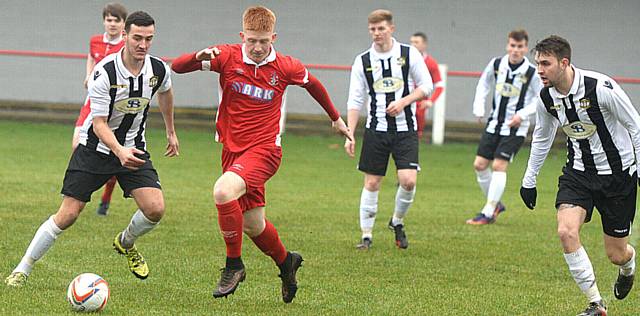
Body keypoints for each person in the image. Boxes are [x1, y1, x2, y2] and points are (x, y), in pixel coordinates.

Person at [171, 6, 350, 303]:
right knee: (254, 224)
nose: (257, 47)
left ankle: (234, 265)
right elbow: (177, 67)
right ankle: (286, 262)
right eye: (252, 40)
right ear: (242, 36)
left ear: (274, 38)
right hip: (232, 152)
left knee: (222, 191)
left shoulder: (285, 66)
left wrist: (336, 117)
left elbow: (313, 84)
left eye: (263, 41)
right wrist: (196, 57)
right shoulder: (226, 57)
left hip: (266, 151)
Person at [5, 11, 179, 287]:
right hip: (95, 149)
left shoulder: (158, 69)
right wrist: (119, 151)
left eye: (149, 39)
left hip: (133, 149)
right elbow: (98, 124)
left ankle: (126, 242)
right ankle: (22, 269)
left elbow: (166, 92)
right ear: (124, 36)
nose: (143, 45)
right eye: (137, 38)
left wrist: (170, 131)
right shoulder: (105, 72)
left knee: (155, 209)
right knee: (68, 214)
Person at [520, 35, 639, 316]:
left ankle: (628, 266)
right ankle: (596, 304)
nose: (539, 70)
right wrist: (529, 179)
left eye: (545, 64)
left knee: (616, 254)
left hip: (618, 176)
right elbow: (542, 136)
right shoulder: (546, 95)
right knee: (566, 231)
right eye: (537, 63)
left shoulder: (601, 88)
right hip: (578, 173)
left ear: (564, 63)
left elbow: (636, 127)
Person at [344, 9, 433, 250]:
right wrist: (350, 133)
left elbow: (427, 86)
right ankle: (366, 235)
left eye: (381, 28)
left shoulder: (408, 53)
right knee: (372, 183)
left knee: (408, 181)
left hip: (406, 129)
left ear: (391, 29)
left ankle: (397, 221)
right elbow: (355, 99)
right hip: (376, 130)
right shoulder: (363, 61)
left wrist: (404, 101)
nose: (377, 33)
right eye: (373, 29)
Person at [466, 29, 542, 225]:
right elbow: (483, 83)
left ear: (526, 48)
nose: (515, 50)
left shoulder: (532, 72)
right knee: (479, 165)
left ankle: (489, 211)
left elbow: (540, 98)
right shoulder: (496, 64)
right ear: (507, 45)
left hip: (516, 127)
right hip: (494, 123)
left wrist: (522, 114)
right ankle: (496, 204)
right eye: (512, 46)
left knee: (499, 165)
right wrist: (478, 107)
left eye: (520, 46)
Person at [72, 2, 128, 216]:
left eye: (116, 20)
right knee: (77, 144)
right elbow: (91, 57)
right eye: (109, 19)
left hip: (114, 106)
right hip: (92, 101)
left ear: (123, 24)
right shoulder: (95, 40)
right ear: (104, 21)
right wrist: (88, 75)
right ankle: (77, 192)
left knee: (113, 152)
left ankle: (105, 199)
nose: (112, 24)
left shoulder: (125, 44)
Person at [409, 32, 444, 142]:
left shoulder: (430, 63)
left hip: (420, 102)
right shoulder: (403, 59)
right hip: (403, 100)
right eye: (411, 42)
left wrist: (430, 101)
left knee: (416, 133)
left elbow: (439, 85)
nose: (413, 45)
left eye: (416, 42)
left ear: (424, 45)